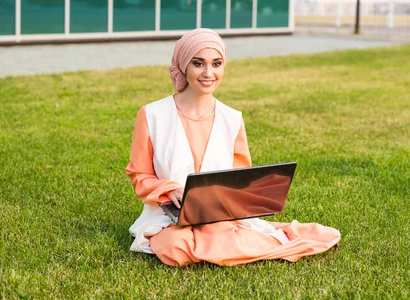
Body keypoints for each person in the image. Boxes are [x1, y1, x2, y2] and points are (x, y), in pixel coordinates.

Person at [125, 28, 340, 267]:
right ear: (183, 65)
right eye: (198, 64)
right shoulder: (152, 114)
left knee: (203, 240)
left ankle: (218, 244)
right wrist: (170, 190)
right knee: (174, 247)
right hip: (168, 216)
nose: (208, 73)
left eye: (216, 64)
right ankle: (226, 247)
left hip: (218, 213)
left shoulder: (232, 118)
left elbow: (240, 178)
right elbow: (140, 175)